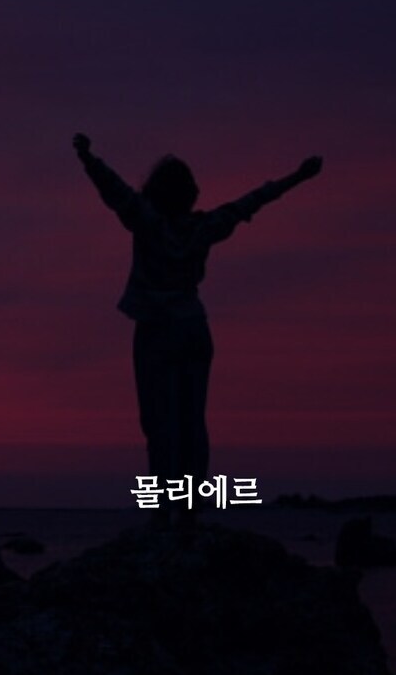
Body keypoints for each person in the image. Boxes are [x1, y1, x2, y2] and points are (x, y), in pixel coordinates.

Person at [72, 134, 323, 486]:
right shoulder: (204, 227)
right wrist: (297, 177)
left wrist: (87, 157)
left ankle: (165, 505)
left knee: (158, 422)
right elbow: (252, 201)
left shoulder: (147, 222)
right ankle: (189, 504)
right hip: (193, 326)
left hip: (156, 327)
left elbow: (114, 189)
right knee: (192, 421)